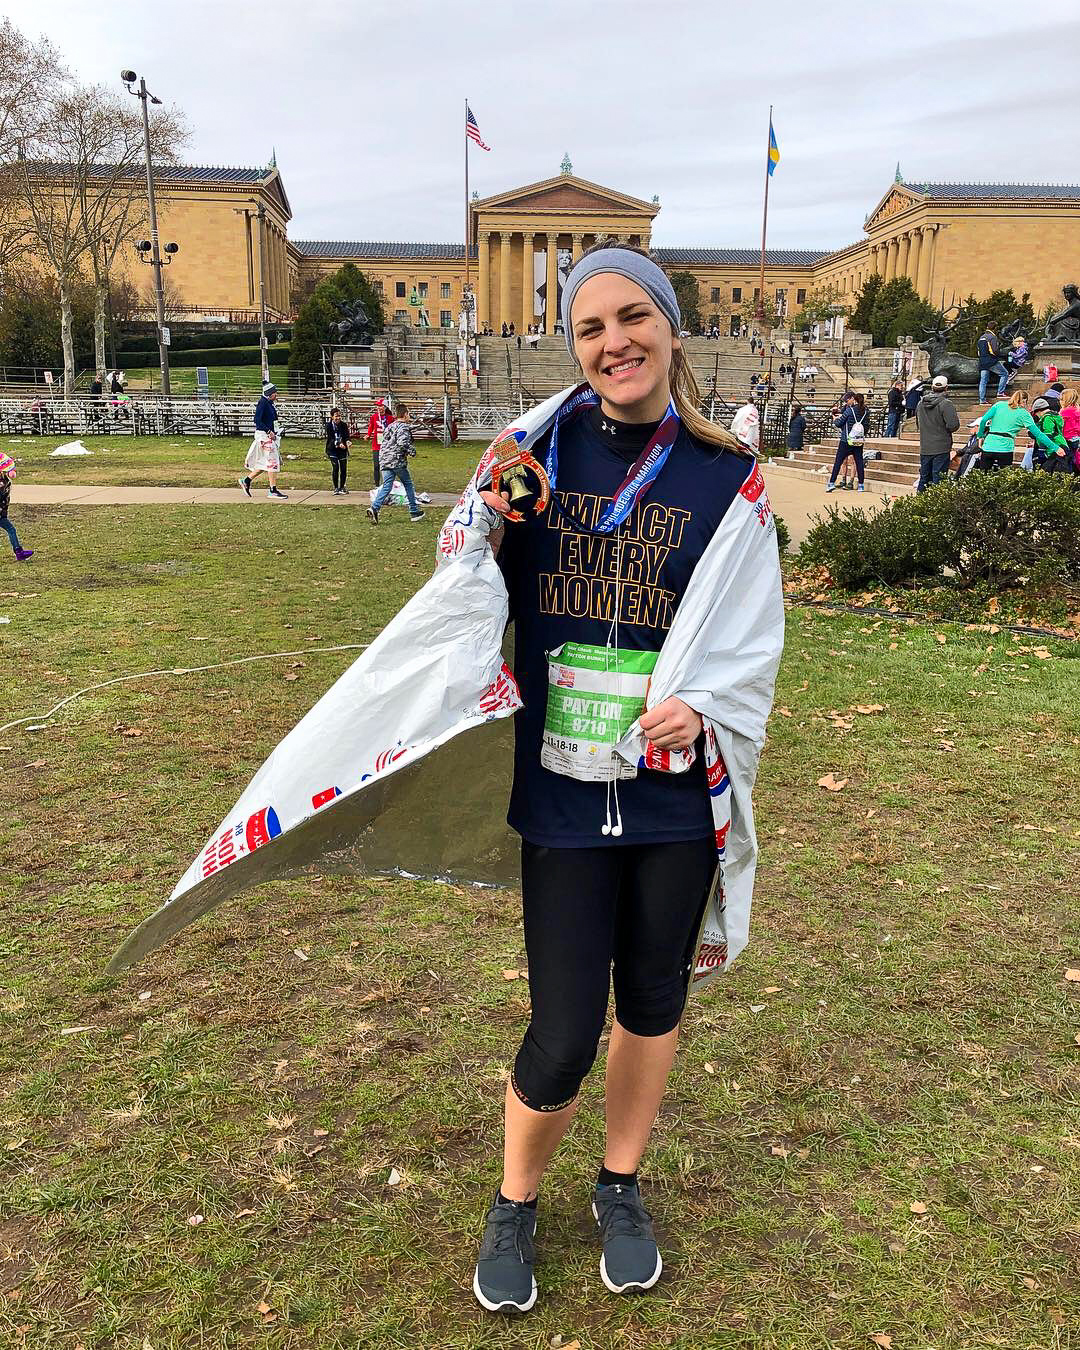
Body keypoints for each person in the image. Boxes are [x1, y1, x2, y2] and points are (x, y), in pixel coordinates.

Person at [469, 242, 779, 1315]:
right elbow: (464, 592)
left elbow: (752, 636)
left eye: (632, 318)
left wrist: (707, 704)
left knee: (650, 999)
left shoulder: (726, 478)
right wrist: (482, 524)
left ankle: (621, 1183)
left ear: (671, 328)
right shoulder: (529, 457)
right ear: (573, 347)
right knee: (561, 1026)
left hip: (669, 793)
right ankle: (515, 1200)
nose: (615, 343)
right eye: (590, 327)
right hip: (559, 791)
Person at [366, 403, 425, 523]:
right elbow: (402, 443)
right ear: (405, 414)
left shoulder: (390, 426)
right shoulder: (403, 427)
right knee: (408, 484)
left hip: (384, 459)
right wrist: (412, 451)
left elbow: (384, 441)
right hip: (396, 460)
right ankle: (414, 511)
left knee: (387, 485)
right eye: (408, 414)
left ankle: (374, 508)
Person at [976, 390, 1058, 471]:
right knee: (1004, 478)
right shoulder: (1024, 414)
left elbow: (983, 420)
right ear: (1024, 401)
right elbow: (1039, 434)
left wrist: (980, 436)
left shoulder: (998, 405)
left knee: (983, 475)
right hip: (1005, 448)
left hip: (989, 445)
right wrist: (1055, 447)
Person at [239, 382, 288, 500]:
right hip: (264, 437)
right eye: (275, 393)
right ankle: (272, 489)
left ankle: (246, 480)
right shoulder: (263, 403)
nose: (276, 395)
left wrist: (275, 431)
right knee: (272, 462)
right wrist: (268, 431)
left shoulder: (269, 403)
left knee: (265, 463)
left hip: (269, 436)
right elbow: (257, 420)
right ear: (270, 393)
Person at [915, 375, 960, 491]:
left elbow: (918, 423)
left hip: (925, 446)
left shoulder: (920, 404)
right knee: (938, 479)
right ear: (946, 388)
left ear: (932, 387)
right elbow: (953, 425)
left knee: (924, 478)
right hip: (941, 446)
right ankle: (936, 506)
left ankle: (920, 504)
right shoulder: (946, 403)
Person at [825, 391, 866, 492]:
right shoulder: (865, 412)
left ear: (854, 400)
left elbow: (839, 423)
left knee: (838, 461)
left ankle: (831, 483)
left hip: (846, 440)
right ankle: (861, 485)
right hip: (858, 440)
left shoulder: (849, 411)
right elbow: (867, 426)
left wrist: (834, 419)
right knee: (859, 462)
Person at [0, 453, 33, 562]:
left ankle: (19, 552)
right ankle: (19, 552)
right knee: (11, 529)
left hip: (2, 513)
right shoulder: (2, 483)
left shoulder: (4, 481)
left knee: (11, 529)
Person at [1028, 396, 1070, 473]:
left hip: (1054, 448)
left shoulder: (1047, 418)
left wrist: (1042, 449)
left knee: (1049, 471)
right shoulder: (1056, 416)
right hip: (1062, 444)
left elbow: (1048, 434)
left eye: (1036, 413)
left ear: (1039, 411)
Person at [365, 398, 394, 487]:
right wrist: (368, 435)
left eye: (380, 406)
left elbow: (393, 430)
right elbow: (371, 427)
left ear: (385, 407)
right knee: (376, 466)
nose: (378, 408)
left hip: (387, 445)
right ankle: (377, 485)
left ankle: (387, 484)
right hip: (376, 445)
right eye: (377, 406)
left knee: (387, 466)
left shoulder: (390, 418)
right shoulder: (374, 417)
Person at [977, 325, 1009, 403]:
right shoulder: (992, 337)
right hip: (991, 361)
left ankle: (982, 400)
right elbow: (994, 350)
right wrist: (1000, 354)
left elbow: (978, 352)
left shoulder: (981, 338)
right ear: (995, 329)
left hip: (982, 361)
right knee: (1004, 374)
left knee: (983, 381)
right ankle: (1000, 392)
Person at [324, 407, 351, 494]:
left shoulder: (343, 425)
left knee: (343, 468)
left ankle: (342, 487)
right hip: (332, 449)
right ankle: (336, 488)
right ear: (332, 417)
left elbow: (347, 436)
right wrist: (339, 444)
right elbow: (331, 438)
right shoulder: (328, 426)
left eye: (339, 416)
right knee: (336, 467)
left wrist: (348, 441)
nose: (338, 418)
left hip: (342, 450)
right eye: (336, 416)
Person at [1060, 388, 1080, 472]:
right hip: (1077, 438)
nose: (1060, 401)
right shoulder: (1077, 410)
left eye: (1061, 399)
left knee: (1069, 461)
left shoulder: (1064, 412)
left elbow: (1061, 426)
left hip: (1068, 439)